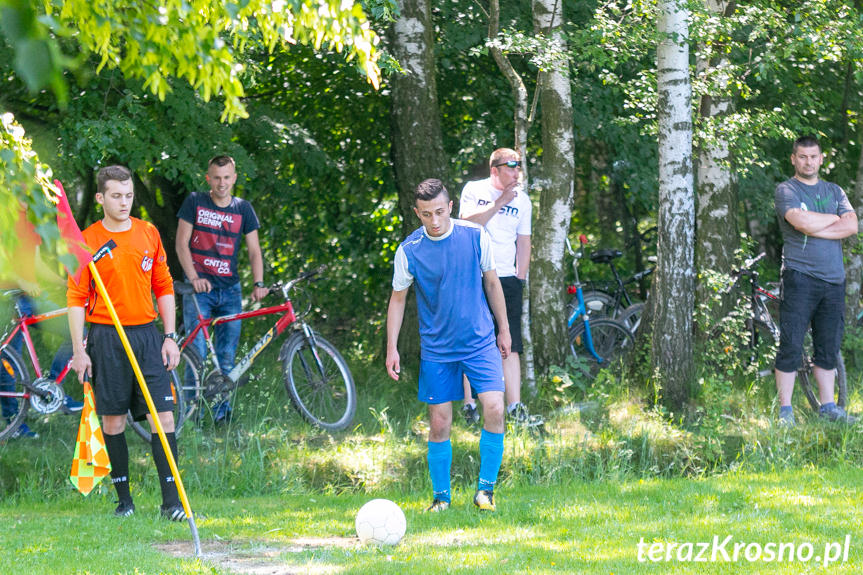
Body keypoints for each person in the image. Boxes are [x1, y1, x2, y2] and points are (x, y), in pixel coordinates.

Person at [386, 178, 511, 512]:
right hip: (438, 349)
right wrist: (391, 347)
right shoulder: (409, 250)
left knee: (496, 409)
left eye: (440, 211)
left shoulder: (475, 237)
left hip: (479, 340)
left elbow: (492, 282)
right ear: (417, 213)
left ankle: (486, 492)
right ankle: (441, 499)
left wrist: (504, 330)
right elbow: (398, 301)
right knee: (440, 423)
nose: (435, 220)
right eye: (426, 214)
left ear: (450, 207)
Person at [67, 165, 184, 519]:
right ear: (100, 197)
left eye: (129, 195)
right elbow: (75, 297)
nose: (124, 202)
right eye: (116, 196)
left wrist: (169, 337)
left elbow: (163, 286)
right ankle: (124, 502)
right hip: (106, 336)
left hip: (147, 335)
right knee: (113, 421)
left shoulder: (148, 232)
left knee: (163, 417)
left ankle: (172, 504)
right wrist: (79, 350)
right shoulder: (86, 240)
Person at [175, 155, 268, 423]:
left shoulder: (243, 209)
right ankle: (190, 418)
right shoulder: (195, 201)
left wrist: (258, 283)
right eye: (216, 177)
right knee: (197, 355)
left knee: (227, 356)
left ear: (234, 178)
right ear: (208, 179)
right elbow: (181, 244)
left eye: (227, 177)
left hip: (230, 291)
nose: (222, 183)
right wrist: (193, 278)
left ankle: (221, 415)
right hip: (198, 291)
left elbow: (254, 251)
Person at [774, 135, 858, 425]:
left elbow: (852, 225)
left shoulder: (834, 190)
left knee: (828, 347)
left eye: (813, 157)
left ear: (821, 158)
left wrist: (816, 224)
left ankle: (828, 408)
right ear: (794, 159)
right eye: (802, 157)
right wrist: (833, 219)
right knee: (792, 344)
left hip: (833, 281)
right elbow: (800, 222)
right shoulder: (786, 189)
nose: (808, 162)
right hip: (800, 278)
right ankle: (785, 412)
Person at [458, 148, 533, 425]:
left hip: (506, 278)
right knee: (471, 339)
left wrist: (520, 276)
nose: (516, 173)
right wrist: (500, 201)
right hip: (472, 275)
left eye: (518, 168)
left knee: (510, 341)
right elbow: (464, 223)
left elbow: (524, 241)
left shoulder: (523, 201)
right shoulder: (473, 190)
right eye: (511, 167)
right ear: (495, 170)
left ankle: (515, 406)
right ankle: (469, 405)